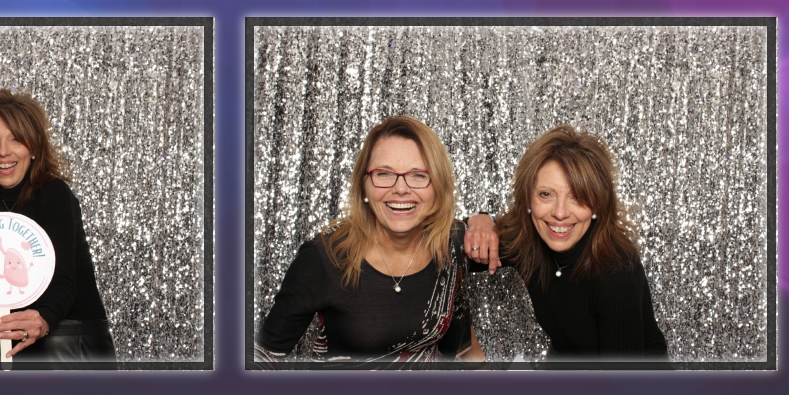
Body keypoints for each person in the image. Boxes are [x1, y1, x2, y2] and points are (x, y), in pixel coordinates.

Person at [256, 114, 487, 363]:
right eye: (383, 173)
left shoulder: (453, 242)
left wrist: (484, 220)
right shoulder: (324, 257)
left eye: (419, 175)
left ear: (438, 186)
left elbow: (521, 238)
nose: (400, 189)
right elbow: (263, 357)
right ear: (363, 184)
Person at [0, 89, 115, 362]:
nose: (3, 151)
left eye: (16, 139)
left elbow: (64, 281)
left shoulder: (54, 194)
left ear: (33, 147)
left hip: (66, 351)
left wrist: (44, 318)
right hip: (5, 354)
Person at [477, 124, 668, 358]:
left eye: (577, 197)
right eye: (546, 194)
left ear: (597, 203)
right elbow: (449, 248)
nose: (560, 213)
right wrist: (479, 221)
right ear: (527, 198)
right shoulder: (527, 239)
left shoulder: (616, 270)